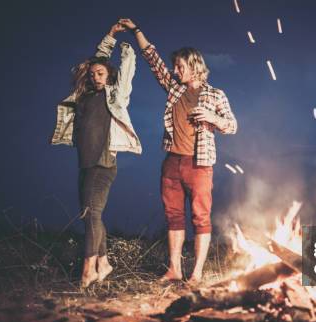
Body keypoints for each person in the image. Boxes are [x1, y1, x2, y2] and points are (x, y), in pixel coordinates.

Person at [119, 18, 237, 284]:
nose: (175, 70)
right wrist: (137, 30)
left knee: (200, 217)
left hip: (200, 164)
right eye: (175, 66)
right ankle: (174, 270)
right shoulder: (174, 88)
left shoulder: (216, 95)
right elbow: (152, 59)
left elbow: (232, 125)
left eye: (180, 66)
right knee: (173, 216)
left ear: (194, 66)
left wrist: (211, 116)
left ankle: (195, 274)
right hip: (171, 162)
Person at [51, 23, 142, 288]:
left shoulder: (115, 95)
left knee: (91, 214)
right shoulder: (82, 95)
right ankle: (103, 262)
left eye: (101, 73)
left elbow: (124, 70)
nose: (95, 77)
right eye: (92, 74)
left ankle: (88, 269)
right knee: (90, 215)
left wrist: (124, 46)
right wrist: (110, 34)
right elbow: (97, 59)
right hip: (85, 164)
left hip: (103, 164)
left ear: (109, 75)